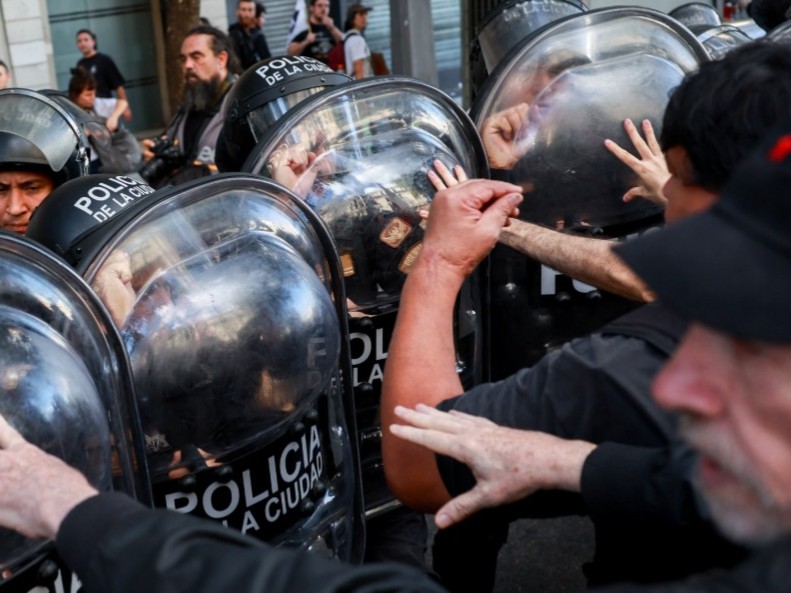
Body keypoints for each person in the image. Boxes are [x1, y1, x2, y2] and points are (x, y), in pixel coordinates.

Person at [381, 41, 791, 588]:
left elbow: (419, 458)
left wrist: (440, 262)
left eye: (676, 177)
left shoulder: (631, 368)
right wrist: (575, 465)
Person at [140, 25, 238, 188]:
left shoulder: (242, 104)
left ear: (221, 59)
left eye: (196, 56)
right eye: (183, 59)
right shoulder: (191, 104)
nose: (187, 66)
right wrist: (154, 154)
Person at [68, 67, 142, 174]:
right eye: (88, 95)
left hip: (101, 160)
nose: (92, 98)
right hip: (81, 161)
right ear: (75, 95)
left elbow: (123, 103)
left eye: (94, 93)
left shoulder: (96, 104)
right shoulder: (68, 111)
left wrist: (114, 117)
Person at [75, 29, 131, 122]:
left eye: (86, 40)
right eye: (79, 41)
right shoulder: (80, 64)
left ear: (93, 42)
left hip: (106, 107)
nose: (83, 43)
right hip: (89, 111)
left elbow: (118, 85)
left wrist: (125, 107)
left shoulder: (104, 60)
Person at [287, 0, 343, 65]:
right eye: (320, 5)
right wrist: (306, 41)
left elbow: (344, 44)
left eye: (326, 6)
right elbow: (291, 53)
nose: (323, 9)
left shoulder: (332, 26)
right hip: (312, 71)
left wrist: (332, 28)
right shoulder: (304, 27)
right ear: (311, 8)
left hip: (331, 71)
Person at [228, 0, 271, 71]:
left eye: (250, 10)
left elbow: (267, 60)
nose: (247, 14)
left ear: (255, 12)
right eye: (243, 10)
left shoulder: (258, 36)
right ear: (237, 11)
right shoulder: (234, 33)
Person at [343, 3, 373, 79]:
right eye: (361, 14)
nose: (364, 17)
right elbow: (359, 70)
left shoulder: (348, 37)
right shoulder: (357, 40)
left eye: (365, 14)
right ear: (352, 18)